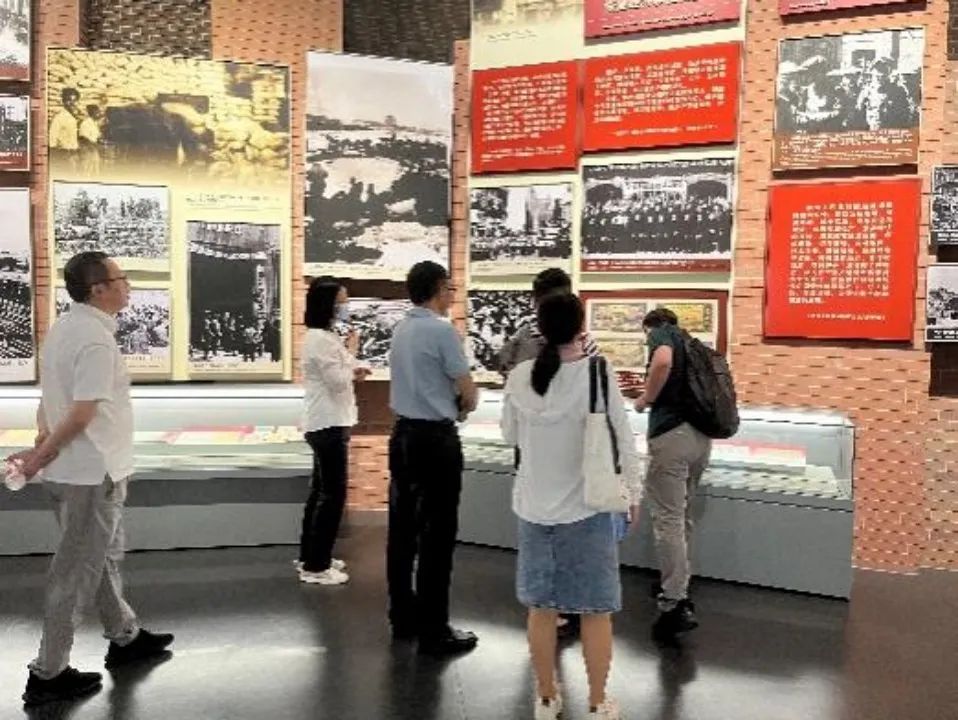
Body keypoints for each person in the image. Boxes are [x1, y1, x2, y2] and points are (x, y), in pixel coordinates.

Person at [7, 251, 173, 707]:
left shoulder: (65, 328)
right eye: (121, 278)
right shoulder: (95, 340)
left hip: (76, 470)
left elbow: (50, 400)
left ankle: (125, 635)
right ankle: (48, 672)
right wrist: (39, 455)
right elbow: (81, 414)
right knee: (75, 572)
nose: (128, 285)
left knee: (97, 559)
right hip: (91, 473)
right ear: (99, 289)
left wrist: (42, 443)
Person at [501, 293, 642, 720]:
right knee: (596, 611)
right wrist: (633, 494)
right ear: (581, 326)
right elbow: (623, 438)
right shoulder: (597, 373)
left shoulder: (520, 376)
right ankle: (597, 702)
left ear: (540, 328)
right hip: (588, 508)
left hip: (533, 508)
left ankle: (546, 697)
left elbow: (510, 436)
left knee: (541, 608)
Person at [496, 267, 599, 641]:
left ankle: (545, 603)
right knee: (572, 528)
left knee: (539, 529)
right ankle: (565, 600)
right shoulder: (583, 343)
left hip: (535, 450)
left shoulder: (525, 334)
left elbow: (503, 365)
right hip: (572, 452)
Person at [387, 261, 480, 656]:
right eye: (450, 288)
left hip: (402, 436)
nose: (452, 294)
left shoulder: (401, 329)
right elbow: (468, 391)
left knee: (402, 532)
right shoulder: (442, 331)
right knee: (438, 535)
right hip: (435, 440)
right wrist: (463, 405)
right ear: (439, 288)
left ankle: (402, 615)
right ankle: (434, 628)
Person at [634, 309, 712, 639]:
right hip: (700, 437)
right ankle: (679, 582)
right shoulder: (692, 343)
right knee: (682, 516)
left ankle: (674, 601)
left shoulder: (661, 333)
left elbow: (662, 361)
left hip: (671, 435)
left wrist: (645, 398)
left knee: (667, 520)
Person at [296, 278, 370, 585]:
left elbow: (340, 371)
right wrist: (352, 359)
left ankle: (311, 556)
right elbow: (338, 381)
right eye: (342, 301)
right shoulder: (320, 340)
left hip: (326, 422)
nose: (346, 307)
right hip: (328, 423)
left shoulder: (322, 337)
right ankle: (317, 566)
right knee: (332, 495)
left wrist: (351, 359)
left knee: (320, 493)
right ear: (328, 304)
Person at [497, 268, 598, 377]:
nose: (555, 312)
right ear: (536, 303)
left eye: (561, 305)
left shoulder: (585, 344)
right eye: (550, 306)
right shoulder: (518, 342)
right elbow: (507, 375)